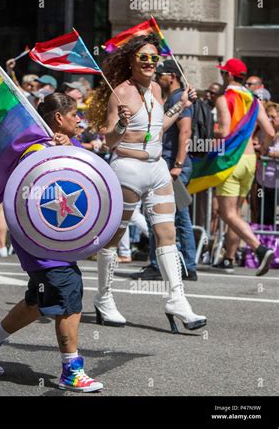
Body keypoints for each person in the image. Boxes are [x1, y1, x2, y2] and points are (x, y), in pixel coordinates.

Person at [0, 93, 103, 392]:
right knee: (69, 290)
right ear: (59, 118)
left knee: (39, 302)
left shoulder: (62, 146)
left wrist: (69, 148)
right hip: (40, 238)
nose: (79, 120)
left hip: (56, 239)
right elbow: (28, 195)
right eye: (75, 116)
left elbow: (86, 175)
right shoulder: (34, 151)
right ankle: (71, 370)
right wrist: (53, 155)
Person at [88, 33, 206, 332]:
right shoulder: (120, 93)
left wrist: (180, 106)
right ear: (131, 61)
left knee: (168, 233)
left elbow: (157, 128)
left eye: (155, 58)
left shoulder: (155, 88)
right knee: (114, 237)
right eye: (144, 58)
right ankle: (104, 298)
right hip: (127, 168)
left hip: (157, 169)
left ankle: (177, 299)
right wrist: (122, 125)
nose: (151, 63)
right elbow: (110, 139)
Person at [131, 59, 198, 281]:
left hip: (172, 165)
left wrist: (177, 166)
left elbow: (185, 132)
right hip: (168, 162)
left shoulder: (179, 98)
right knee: (172, 215)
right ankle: (182, 265)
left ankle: (179, 265)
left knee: (171, 215)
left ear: (172, 76)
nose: (158, 77)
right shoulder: (175, 98)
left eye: (161, 74)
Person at [214, 59, 275, 275]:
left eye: (223, 74)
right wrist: (263, 150)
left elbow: (224, 130)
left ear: (228, 76)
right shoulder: (254, 100)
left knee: (226, 212)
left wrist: (209, 134)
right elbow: (269, 131)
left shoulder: (225, 98)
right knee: (236, 212)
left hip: (233, 159)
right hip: (251, 160)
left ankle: (260, 249)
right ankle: (229, 258)